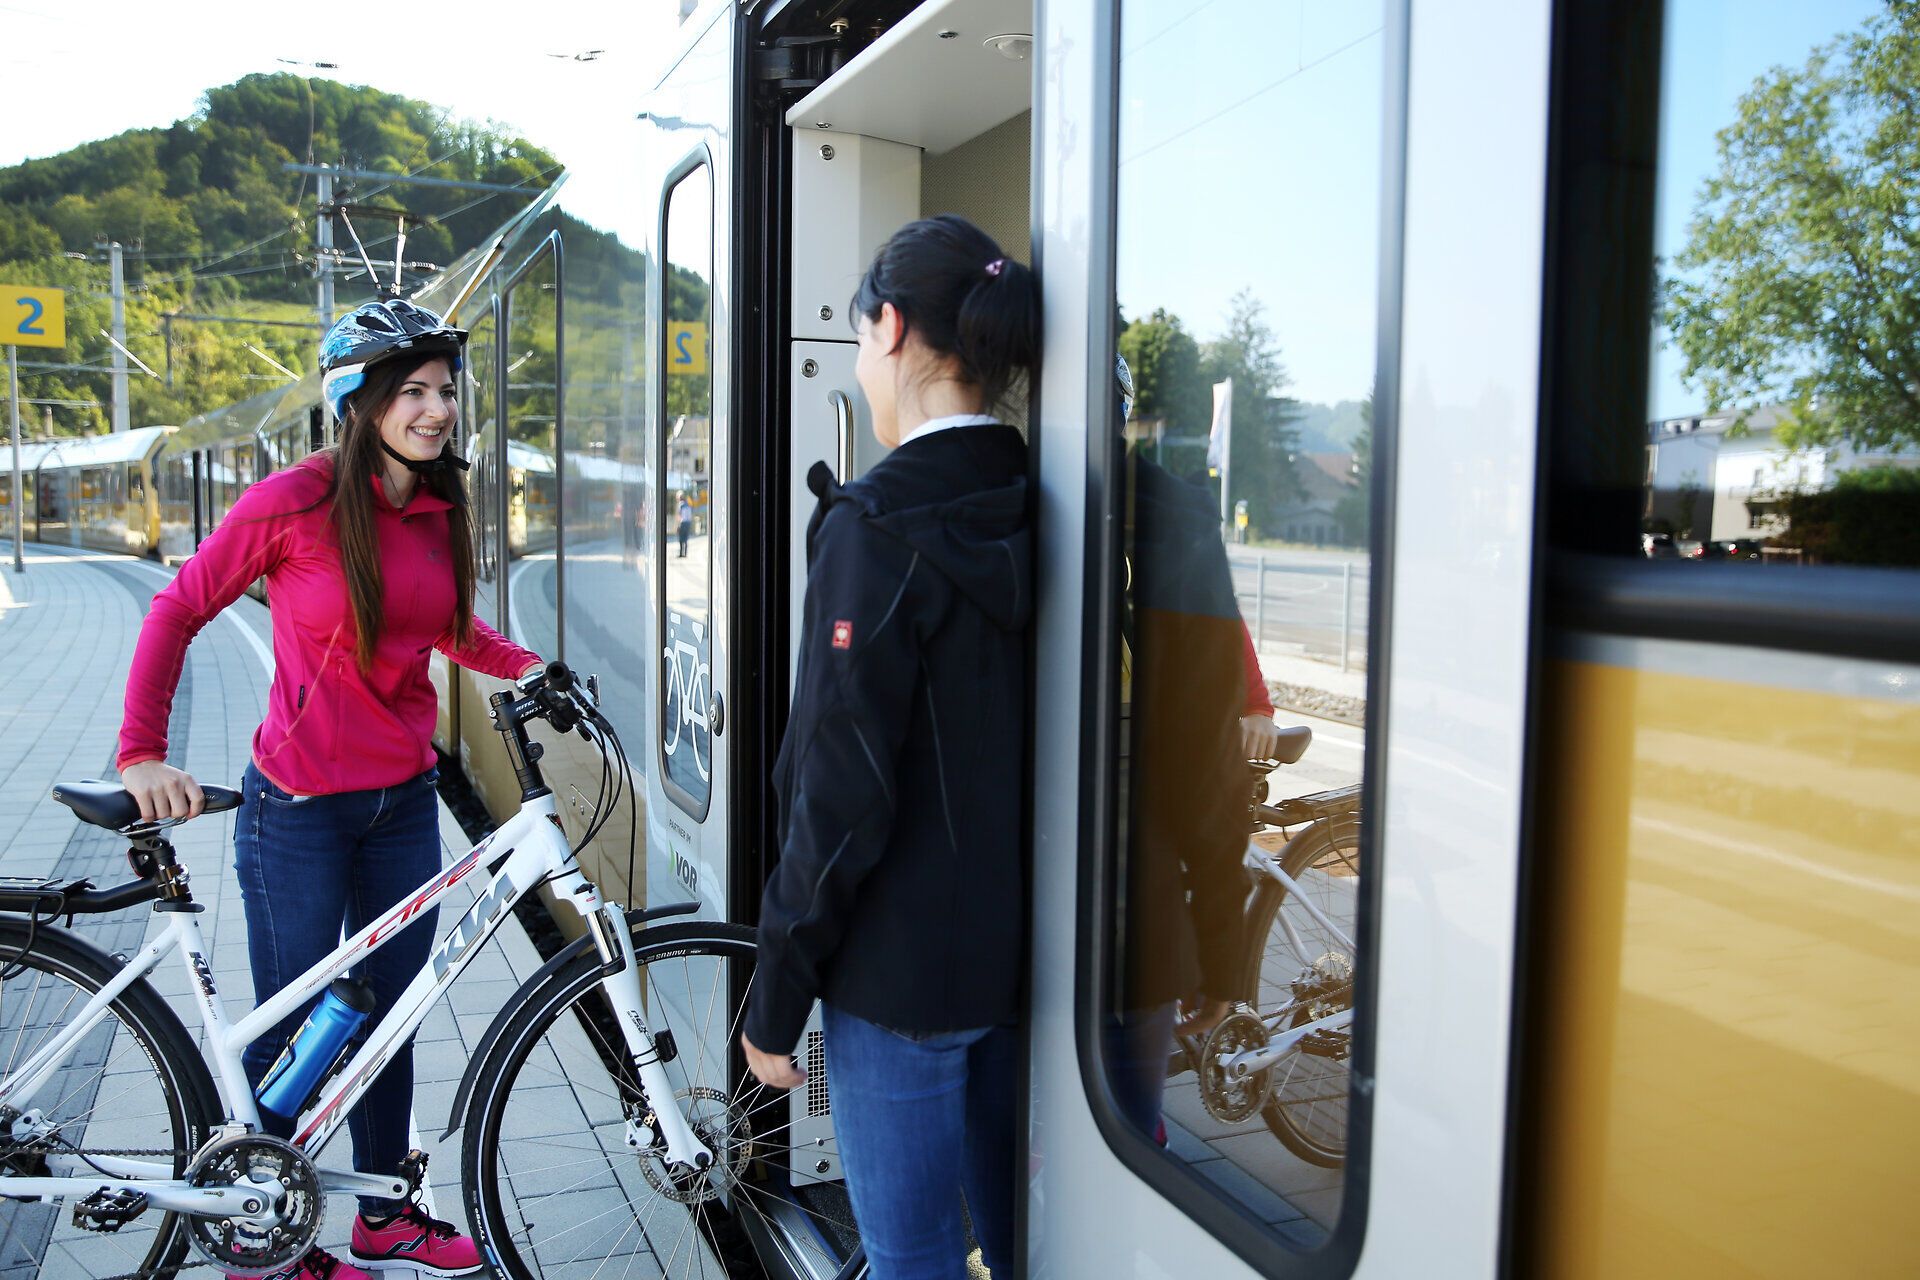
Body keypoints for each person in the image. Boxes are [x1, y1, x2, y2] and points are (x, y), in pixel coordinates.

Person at [117, 298, 543, 1280]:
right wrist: (142, 751)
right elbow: (178, 608)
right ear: (358, 399)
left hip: (401, 806)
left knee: (390, 1014)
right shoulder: (293, 502)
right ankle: (263, 1232)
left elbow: (449, 628)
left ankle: (385, 1211)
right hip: (297, 813)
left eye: (444, 390)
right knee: (306, 1033)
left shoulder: (439, 510)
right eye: (413, 391)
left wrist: (526, 666)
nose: (436, 409)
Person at [741, 215, 1037, 1280]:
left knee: (910, 1253)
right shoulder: (1049, 501)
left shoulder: (874, 525)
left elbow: (837, 781)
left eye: (861, 340)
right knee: (1017, 1242)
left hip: (904, 977)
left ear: (895, 330)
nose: (862, 366)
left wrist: (777, 992)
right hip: (1033, 964)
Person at [676, 490, 693, 557]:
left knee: (681, 538)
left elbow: (679, 515)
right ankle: (685, 553)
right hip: (688, 523)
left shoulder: (680, 505)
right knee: (686, 538)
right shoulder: (688, 505)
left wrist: (678, 526)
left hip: (682, 523)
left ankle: (681, 553)